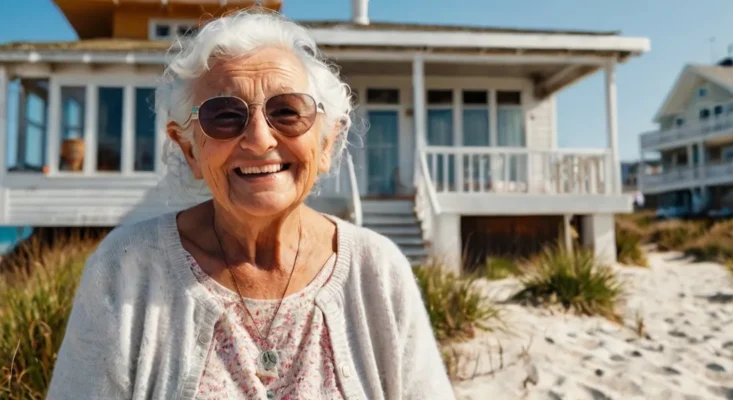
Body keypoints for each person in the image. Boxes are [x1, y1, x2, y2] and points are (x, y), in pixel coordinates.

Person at [47, 9, 453, 400]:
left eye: (287, 111)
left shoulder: (377, 271)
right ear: (189, 150)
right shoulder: (123, 271)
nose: (260, 140)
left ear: (326, 144)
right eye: (224, 115)